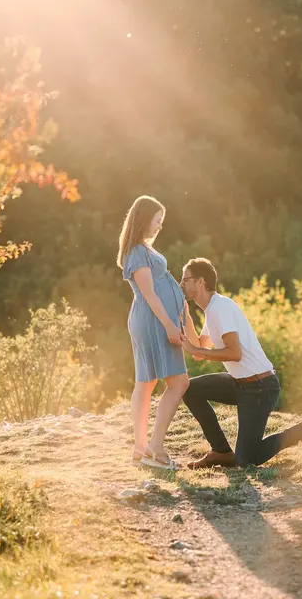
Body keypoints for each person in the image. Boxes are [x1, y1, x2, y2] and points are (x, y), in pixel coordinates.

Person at [177, 257, 302, 468]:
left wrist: (194, 348)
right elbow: (200, 351)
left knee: (247, 460)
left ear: (200, 282)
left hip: (260, 387)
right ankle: (221, 451)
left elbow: (234, 353)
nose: (181, 284)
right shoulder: (211, 311)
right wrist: (186, 317)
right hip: (240, 383)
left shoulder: (221, 308)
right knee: (189, 389)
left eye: (185, 279)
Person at [117, 195, 188, 469]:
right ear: (145, 217)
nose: (159, 226)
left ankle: (141, 448)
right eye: (157, 220)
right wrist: (170, 325)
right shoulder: (136, 251)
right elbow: (148, 293)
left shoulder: (142, 249)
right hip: (152, 320)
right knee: (178, 382)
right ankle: (155, 449)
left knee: (146, 383)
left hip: (151, 319)